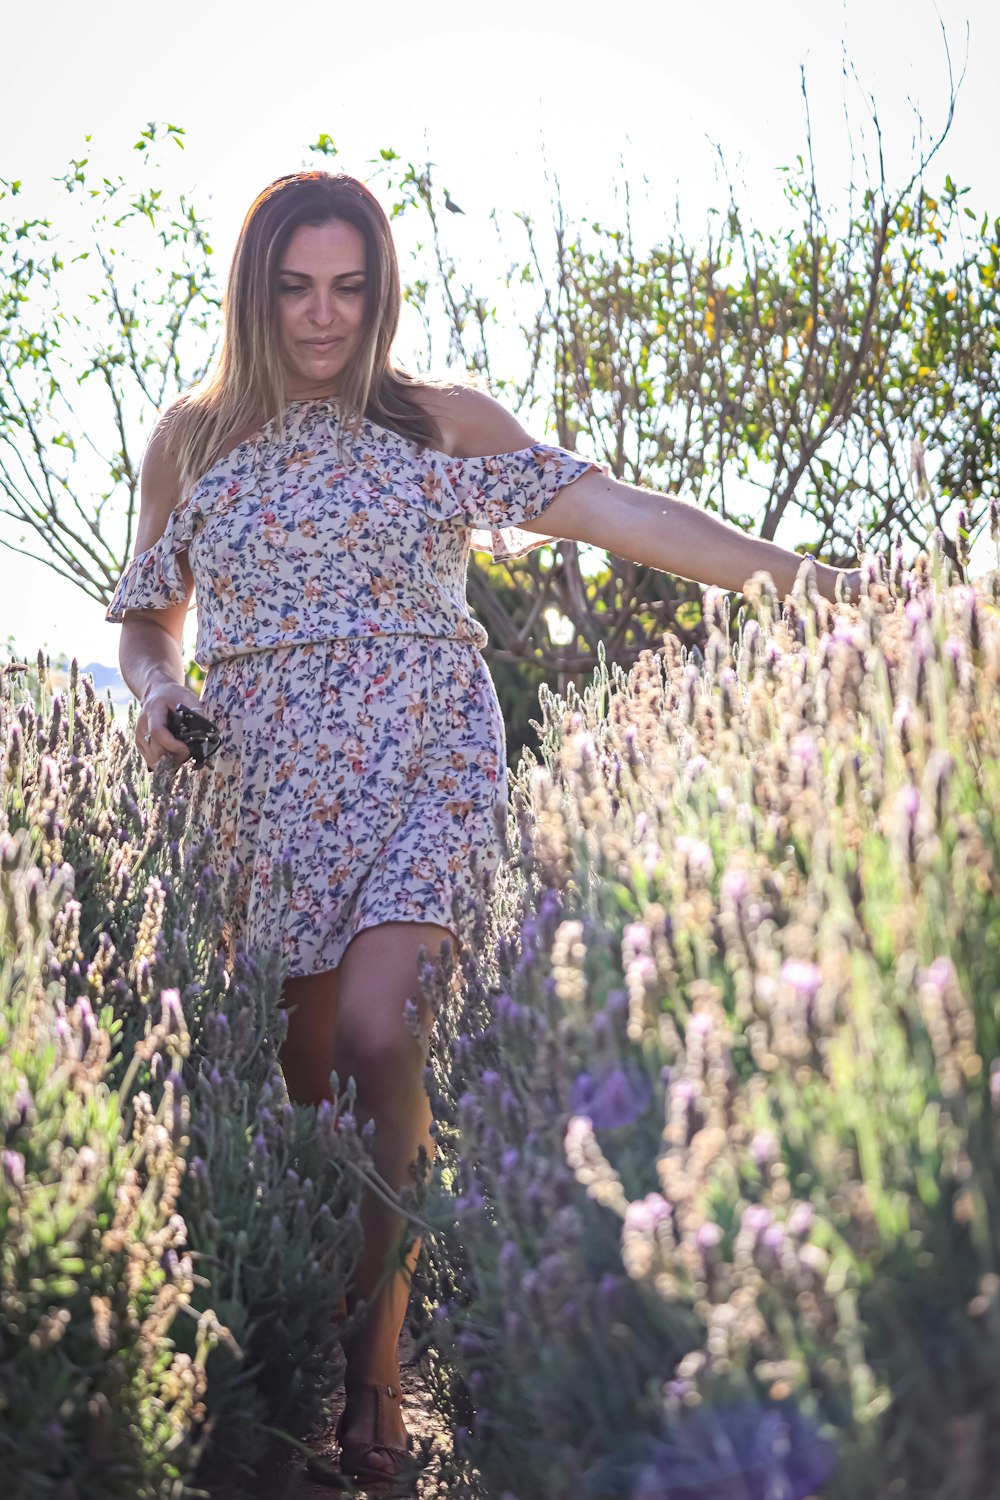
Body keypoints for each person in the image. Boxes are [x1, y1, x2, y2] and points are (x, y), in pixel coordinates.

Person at [106, 170, 861, 1485]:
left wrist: (821, 585)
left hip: (425, 757)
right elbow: (144, 611)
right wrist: (162, 693)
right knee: (305, 1096)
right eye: (295, 288)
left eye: (349, 287)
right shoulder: (192, 437)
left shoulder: (442, 422)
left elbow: (622, 513)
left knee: (379, 1030)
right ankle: (322, 1367)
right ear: (255, 289)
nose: (323, 317)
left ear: (381, 291)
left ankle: (382, 1376)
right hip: (265, 778)